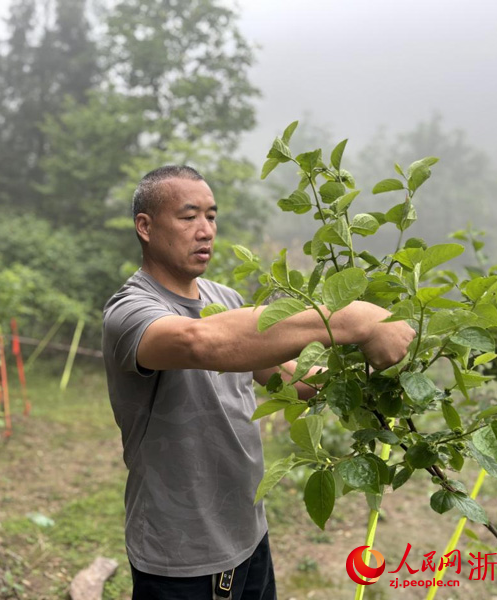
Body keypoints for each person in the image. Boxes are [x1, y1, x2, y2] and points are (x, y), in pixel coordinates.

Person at [102, 165, 415, 599]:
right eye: (188, 216)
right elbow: (200, 343)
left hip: (248, 533)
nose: (205, 229)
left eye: (211, 216)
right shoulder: (130, 310)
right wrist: (350, 319)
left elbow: (289, 379)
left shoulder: (223, 299)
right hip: (182, 551)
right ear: (145, 227)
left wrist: (364, 379)